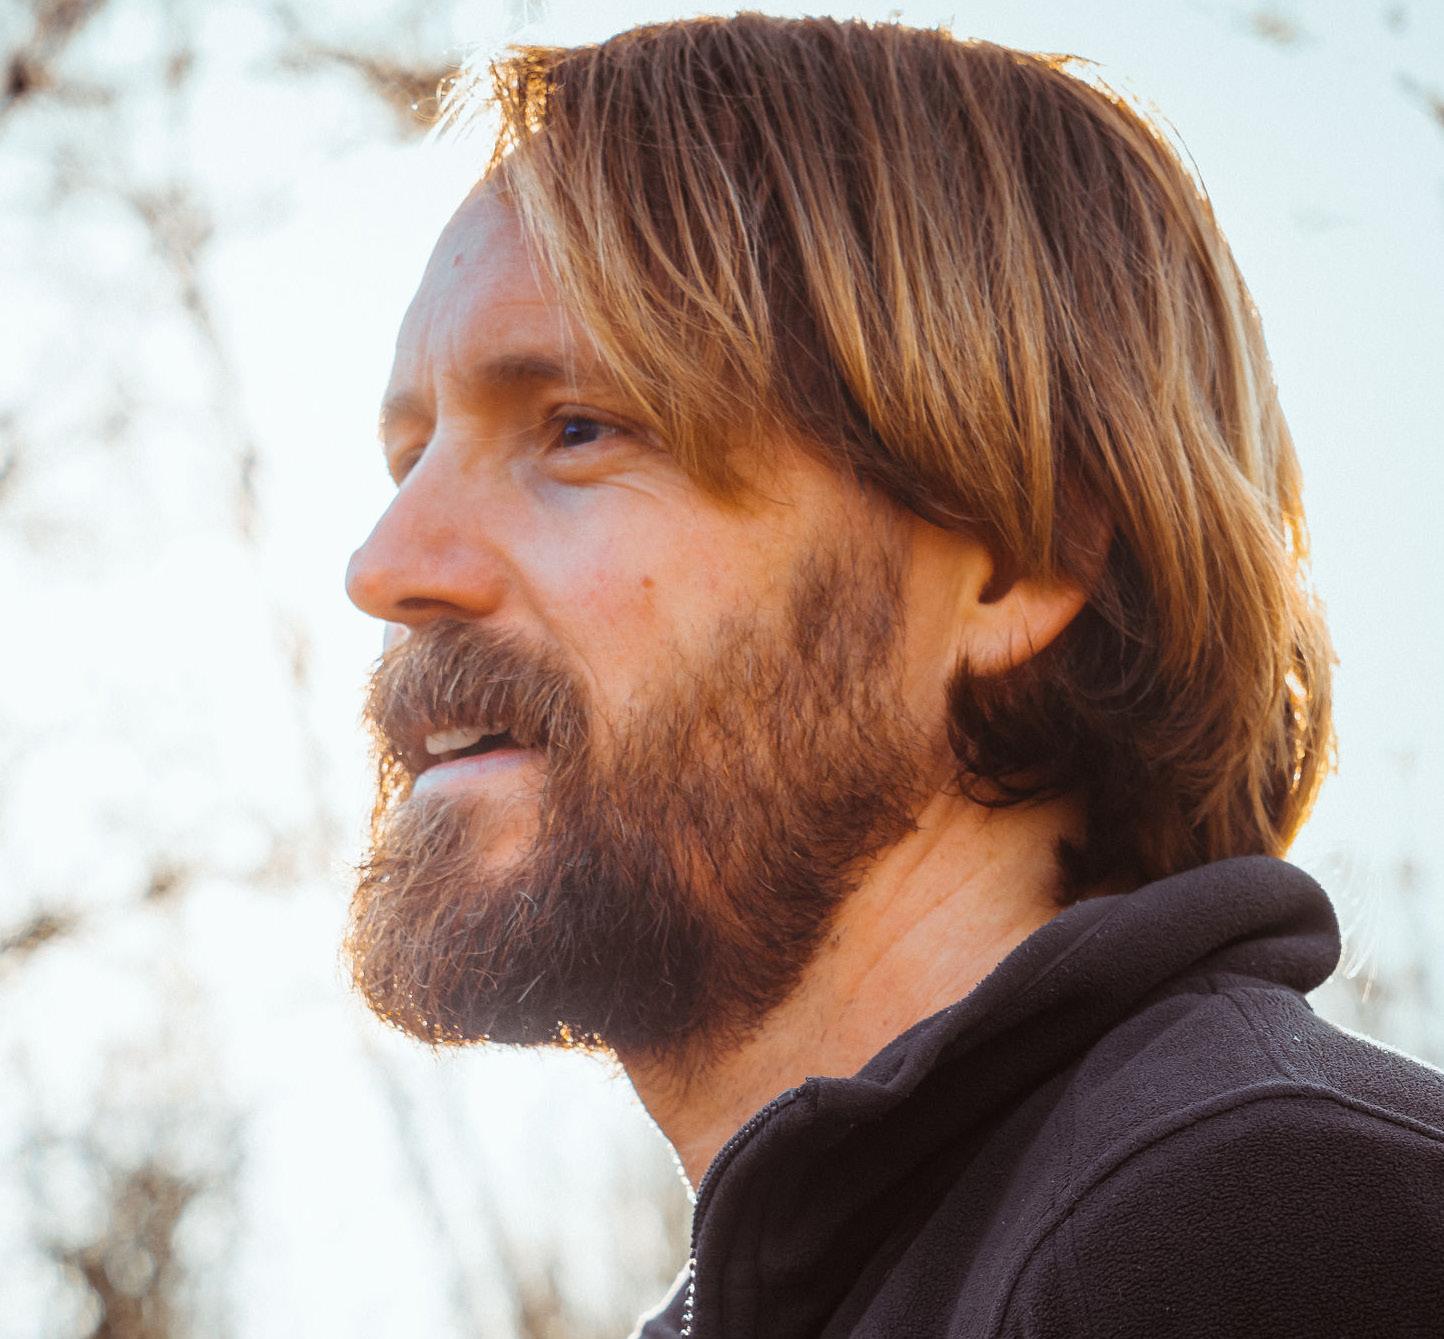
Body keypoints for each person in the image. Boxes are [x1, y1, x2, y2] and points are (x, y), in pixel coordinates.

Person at [342, 15, 1444, 1337]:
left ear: (1020, 558)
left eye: (577, 428)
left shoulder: (1255, 1222)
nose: (387, 565)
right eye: (409, 457)